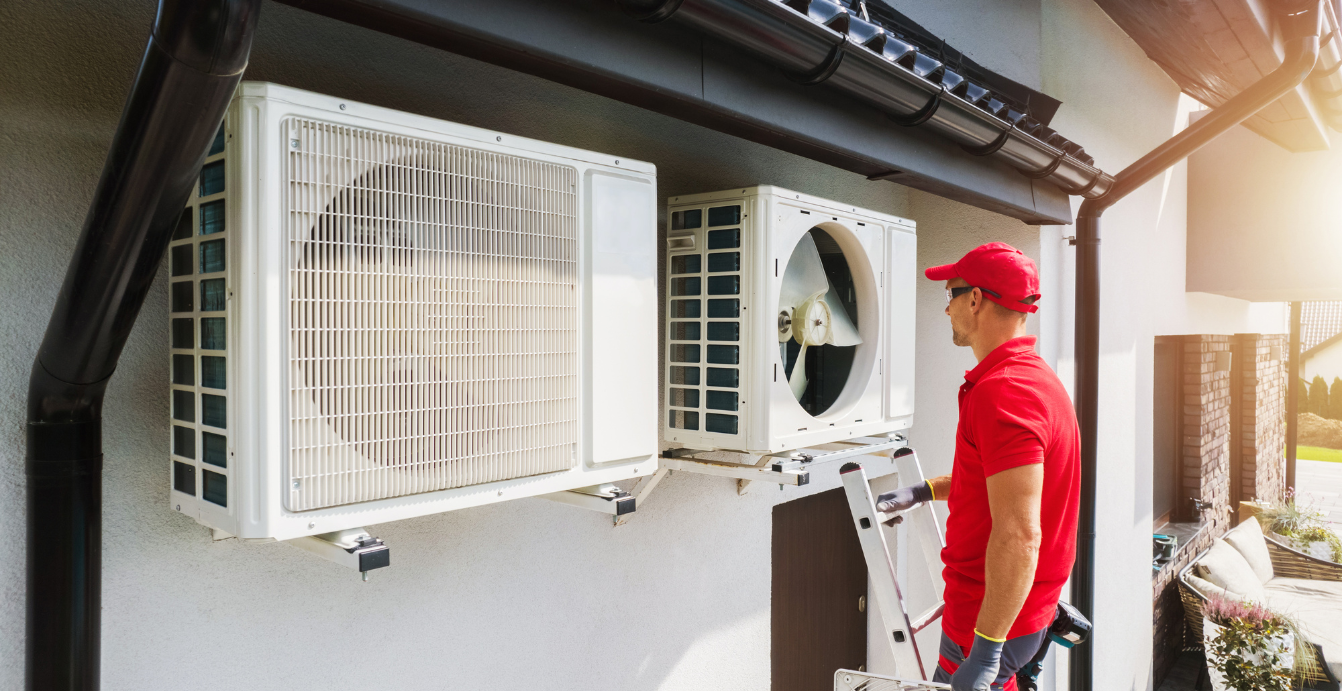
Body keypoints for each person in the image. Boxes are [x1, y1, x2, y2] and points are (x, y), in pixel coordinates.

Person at [876, 243, 1080, 691]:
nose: (946, 308)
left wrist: (986, 650)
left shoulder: (1004, 394)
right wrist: (924, 490)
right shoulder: (1031, 379)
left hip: (988, 622)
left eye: (950, 294)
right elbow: (997, 485)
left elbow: (1019, 535)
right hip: (1013, 612)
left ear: (975, 299)